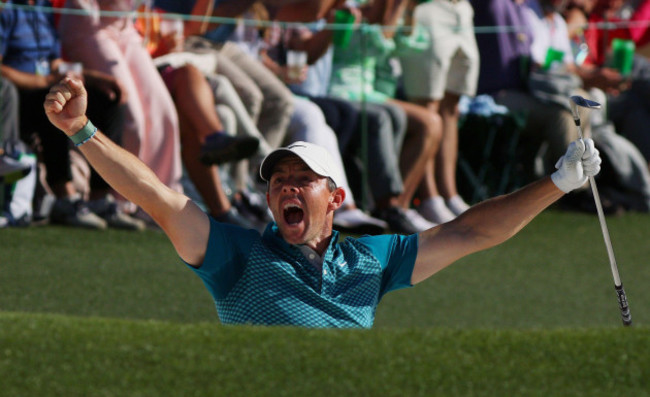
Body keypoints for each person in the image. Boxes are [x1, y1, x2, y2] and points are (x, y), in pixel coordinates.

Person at [45, 76, 601, 328]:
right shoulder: (233, 255)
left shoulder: (371, 260)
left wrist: (556, 182)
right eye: (277, 179)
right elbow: (158, 198)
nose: (285, 187)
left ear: (334, 198)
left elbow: (469, 232)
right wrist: (82, 131)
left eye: (302, 179)